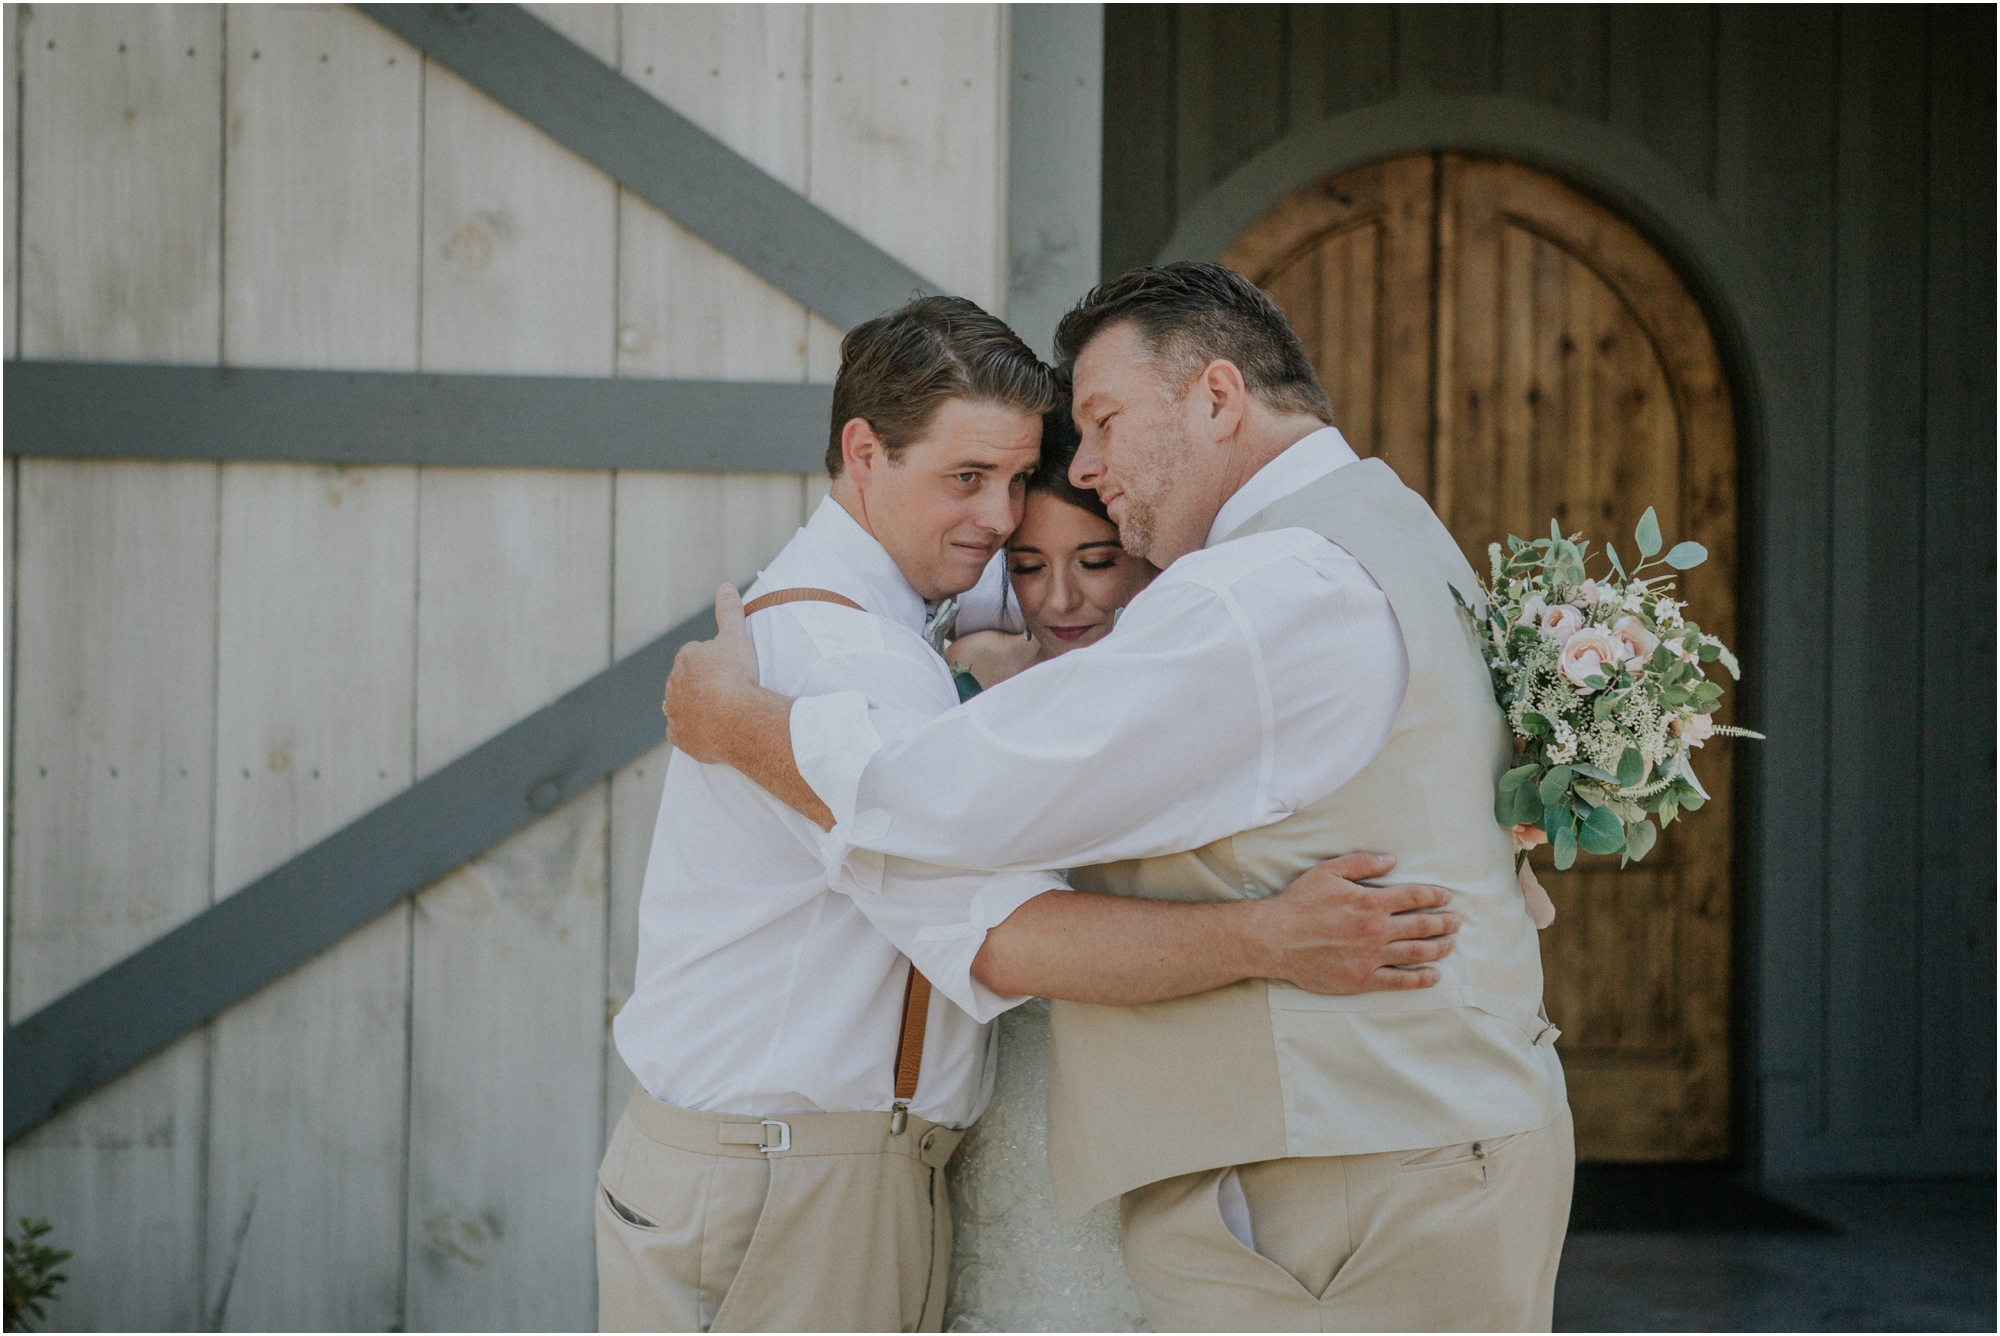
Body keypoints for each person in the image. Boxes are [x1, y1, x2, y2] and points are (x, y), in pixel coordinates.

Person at [664, 264, 1575, 1332]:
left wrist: (740, 725)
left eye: (1100, 421)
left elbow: (963, 794)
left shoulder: (1258, 594)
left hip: (1354, 1183)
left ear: (1217, 399)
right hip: (1402, 1145)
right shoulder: (1386, 525)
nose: (1081, 466)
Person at [945, 393, 1158, 696]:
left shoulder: (1191, 685)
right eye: (1029, 568)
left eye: (1094, 563)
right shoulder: (975, 669)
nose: (1061, 601)